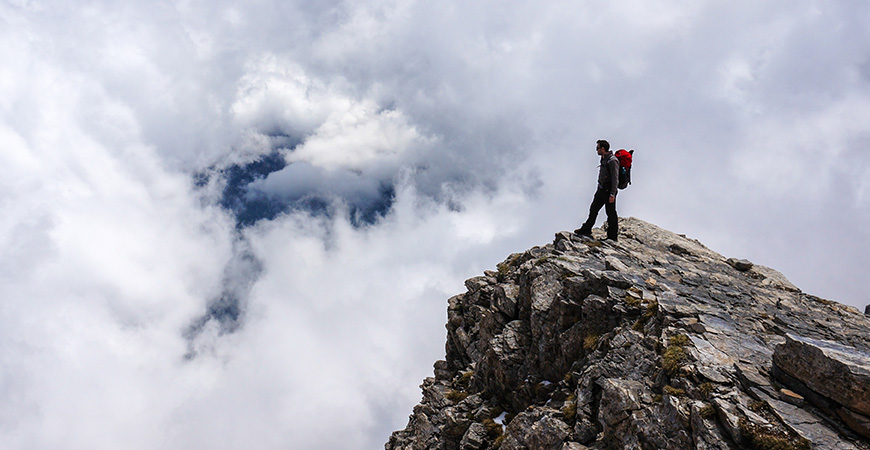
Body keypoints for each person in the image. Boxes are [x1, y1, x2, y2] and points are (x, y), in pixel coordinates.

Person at [575, 139, 619, 241]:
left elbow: (615, 178)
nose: (596, 150)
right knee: (593, 209)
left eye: (597, 148)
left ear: (603, 148)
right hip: (601, 190)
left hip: (609, 192)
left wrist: (612, 194)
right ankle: (586, 229)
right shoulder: (604, 158)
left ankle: (612, 237)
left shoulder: (612, 161)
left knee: (611, 213)